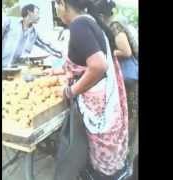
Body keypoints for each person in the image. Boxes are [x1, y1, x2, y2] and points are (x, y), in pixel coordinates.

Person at [47, 0, 130, 179]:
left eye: (55, 5)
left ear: (62, 3)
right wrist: (57, 71)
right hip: (104, 101)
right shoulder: (89, 21)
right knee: (98, 155)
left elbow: (98, 65)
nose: (56, 10)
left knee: (97, 160)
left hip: (96, 105)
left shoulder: (79, 25)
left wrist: (71, 91)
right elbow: (84, 62)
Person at [94, 1, 139, 177]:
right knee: (131, 117)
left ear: (100, 16)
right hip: (131, 78)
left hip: (130, 78)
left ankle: (125, 159)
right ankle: (126, 157)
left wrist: (109, 52)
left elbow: (126, 51)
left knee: (130, 118)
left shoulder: (114, 24)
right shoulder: (120, 20)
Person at [2, 4, 62, 68]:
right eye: (37, 13)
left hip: (16, 70)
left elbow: (46, 45)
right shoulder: (10, 22)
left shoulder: (34, 33)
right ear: (29, 13)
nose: (39, 16)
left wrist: (61, 54)